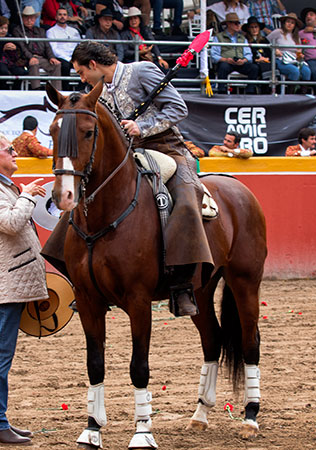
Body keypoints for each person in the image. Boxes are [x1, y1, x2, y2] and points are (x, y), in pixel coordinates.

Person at [53, 41, 215, 316]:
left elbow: (179, 108)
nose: (81, 79)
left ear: (93, 65)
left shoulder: (142, 71)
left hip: (166, 148)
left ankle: (182, 282)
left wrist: (143, 126)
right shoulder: (95, 92)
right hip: (124, 155)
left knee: (187, 199)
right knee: (82, 202)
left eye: (81, 72)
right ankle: (80, 278)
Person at [0, 133, 48, 446]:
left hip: (10, 280)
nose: (14, 153)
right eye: (9, 150)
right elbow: (11, 223)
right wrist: (27, 195)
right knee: (0, 355)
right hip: (5, 281)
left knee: (2, 355)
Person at [13, 6, 62, 90]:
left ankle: (56, 91)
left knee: (56, 65)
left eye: (31, 18)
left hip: (41, 58)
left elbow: (47, 46)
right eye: (26, 18)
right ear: (22, 18)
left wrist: (51, 57)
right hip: (25, 59)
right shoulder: (18, 30)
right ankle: (36, 89)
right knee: (34, 63)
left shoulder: (41, 31)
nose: (29, 20)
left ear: (35, 19)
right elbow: (22, 47)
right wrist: (31, 57)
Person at [210, 13, 259, 94]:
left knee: (254, 68)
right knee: (223, 66)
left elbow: (249, 55)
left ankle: (250, 91)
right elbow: (214, 55)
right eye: (236, 23)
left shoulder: (242, 38)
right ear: (228, 24)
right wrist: (226, 59)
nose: (238, 25)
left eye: (238, 23)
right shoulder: (218, 37)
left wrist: (244, 60)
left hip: (240, 62)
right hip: (227, 62)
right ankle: (222, 91)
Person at [267, 12, 311, 94]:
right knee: (294, 71)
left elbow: (299, 50)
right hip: (281, 59)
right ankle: (290, 94)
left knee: (307, 71)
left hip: (294, 60)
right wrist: (274, 49)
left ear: (295, 25)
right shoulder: (278, 32)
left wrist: (300, 55)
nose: (290, 24)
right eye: (288, 22)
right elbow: (266, 42)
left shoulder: (296, 36)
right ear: (284, 23)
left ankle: (303, 94)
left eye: (292, 23)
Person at [46, 8, 81, 90]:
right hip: (61, 57)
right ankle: (66, 90)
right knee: (65, 65)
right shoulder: (51, 31)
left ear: (67, 17)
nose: (62, 17)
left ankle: (81, 91)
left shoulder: (74, 31)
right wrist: (68, 59)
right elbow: (54, 49)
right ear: (56, 17)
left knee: (85, 64)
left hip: (74, 57)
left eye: (64, 15)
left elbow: (79, 46)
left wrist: (75, 57)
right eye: (60, 14)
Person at [0, 17, 28, 90]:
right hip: (0, 61)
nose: (3, 31)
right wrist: (3, 48)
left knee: (21, 71)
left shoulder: (11, 38)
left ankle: (16, 89)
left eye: (5, 28)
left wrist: (15, 48)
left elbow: (20, 53)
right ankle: (4, 90)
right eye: (1, 28)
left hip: (13, 62)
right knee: (3, 72)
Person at [243, 16, 271, 81]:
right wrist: (257, 60)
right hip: (253, 63)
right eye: (252, 27)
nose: (254, 29)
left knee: (273, 66)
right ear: (248, 29)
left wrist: (266, 58)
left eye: (256, 27)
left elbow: (270, 53)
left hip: (266, 62)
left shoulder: (264, 40)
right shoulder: (245, 40)